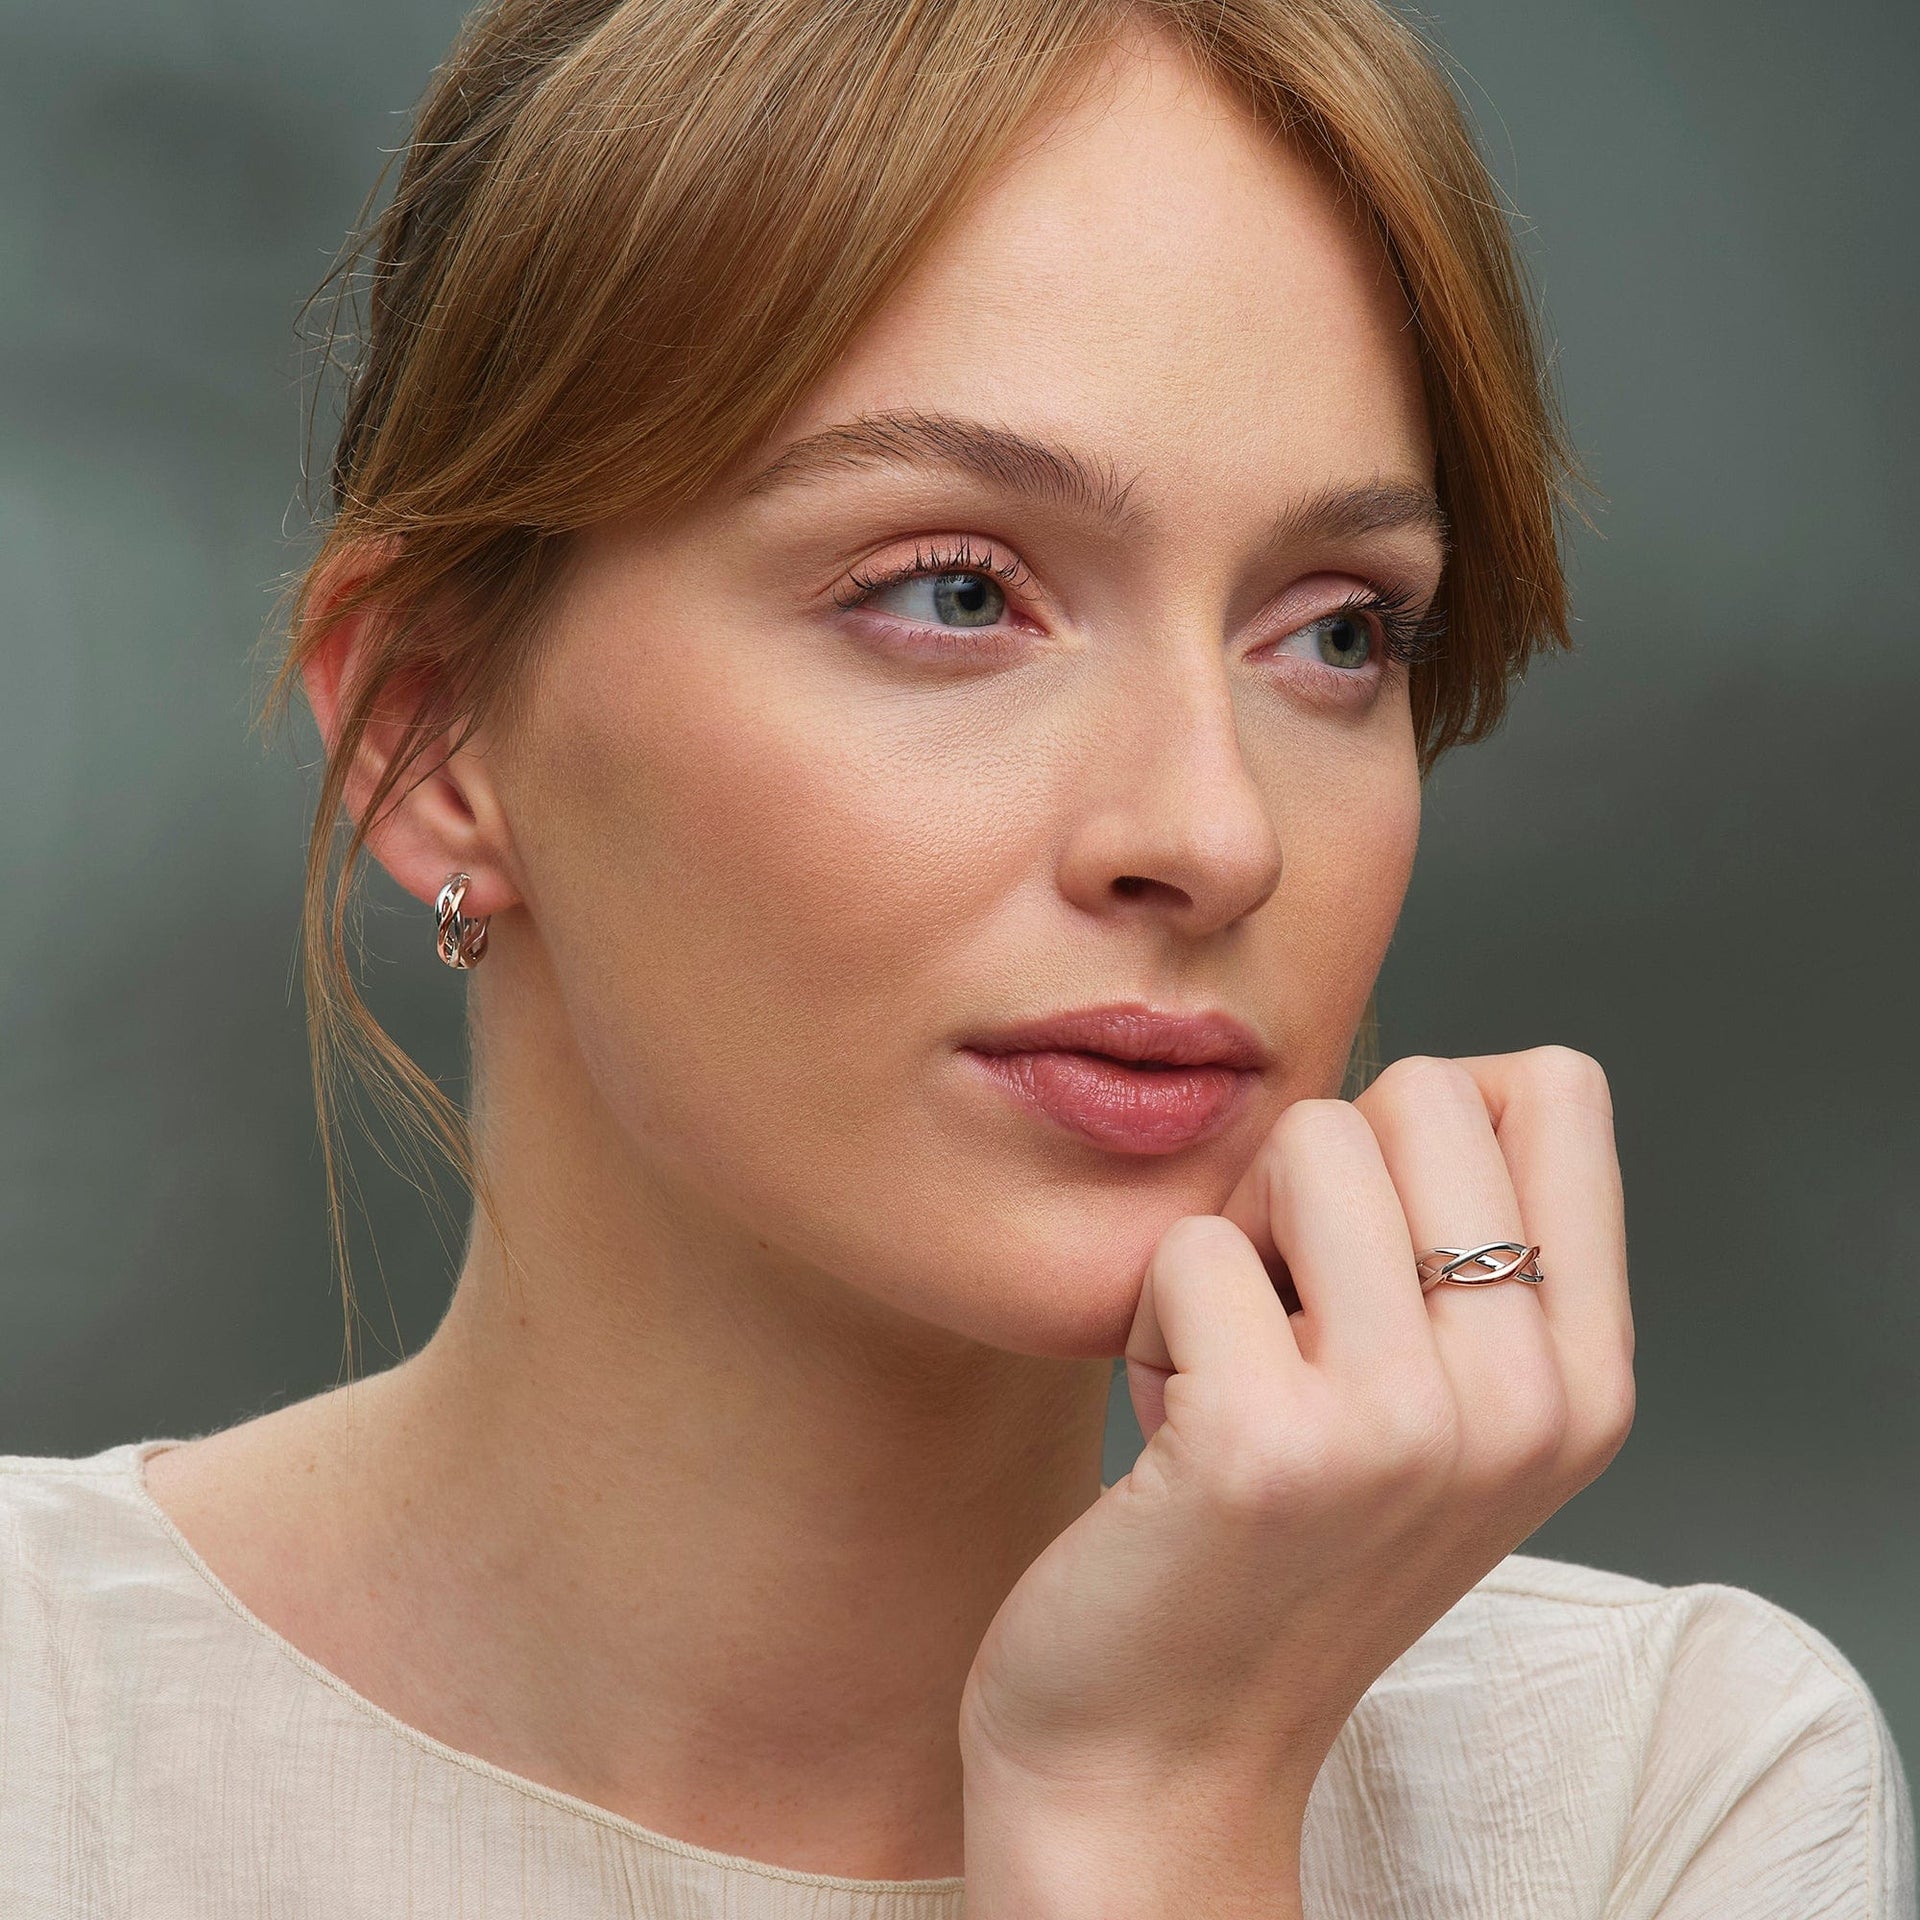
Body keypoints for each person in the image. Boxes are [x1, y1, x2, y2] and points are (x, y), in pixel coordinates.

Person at [1, 1, 1912, 1914]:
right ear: (435, 743)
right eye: (951, 593)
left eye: (1337, 632)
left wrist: (1151, 1800)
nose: (1212, 832)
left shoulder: (1657, 1797)